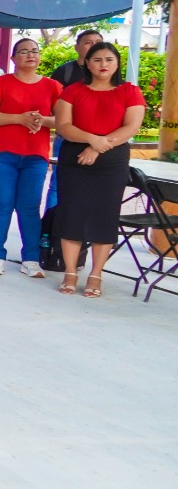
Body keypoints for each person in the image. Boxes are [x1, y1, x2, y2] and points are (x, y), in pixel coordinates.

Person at [52, 41, 146, 298]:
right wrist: (92, 139)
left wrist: (97, 147)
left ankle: (96, 274)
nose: (103, 65)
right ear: (87, 63)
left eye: (109, 60)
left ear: (116, 64)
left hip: (111, 161)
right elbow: (63, 125)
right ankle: (70, 271)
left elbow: (131, 127)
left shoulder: (129, 91)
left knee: (104, 215)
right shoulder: (72, 91)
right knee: (72, 212)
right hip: (75, 158)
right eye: (97, 59)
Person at [0, 38, 60, 277]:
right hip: (3, 155)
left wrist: (42, 120)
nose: (30, 55)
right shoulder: (1, 83)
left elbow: (64, 121)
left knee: (29, 208)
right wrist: (20, 118)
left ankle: (31, 258)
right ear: (14, 58)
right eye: (23, 51)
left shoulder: (52, 86)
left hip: (36, 156)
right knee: (2, 204)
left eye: (34, 51)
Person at [45, 29, 103, 210]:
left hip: (99, 140)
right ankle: (51, 230)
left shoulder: (107, 74)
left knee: (94, 186)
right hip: (67, 138)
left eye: (98, 42)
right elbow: (52, 110)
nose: (94, 46)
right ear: (77, 47)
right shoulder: (65, 72)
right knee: (58, 184)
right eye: (88, 42)